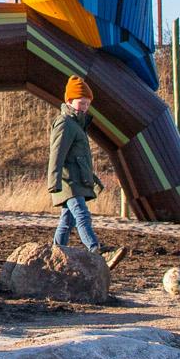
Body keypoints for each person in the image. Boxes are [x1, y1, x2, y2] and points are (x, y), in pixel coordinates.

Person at [46, 76, 120, 266]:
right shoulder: (65, 123)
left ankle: (55, 253)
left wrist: (92, 177)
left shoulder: (78, 125)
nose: (85, 107)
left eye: (87, 103)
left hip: (77, 180)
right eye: (82, 102)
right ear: (69, 101)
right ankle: (95, 249)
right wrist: (53, 181)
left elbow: (80, 159)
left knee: (67, 221)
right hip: (67, 181)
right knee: (82, 215)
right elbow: (57, 154)